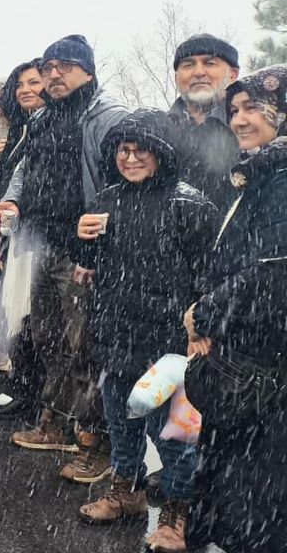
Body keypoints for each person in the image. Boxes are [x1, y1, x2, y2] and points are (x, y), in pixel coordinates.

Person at [72, 112, 214, 552]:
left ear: (162, 154)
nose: (130, 159)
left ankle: (178, 514)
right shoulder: (107, 198)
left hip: (169, 342)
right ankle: (126, 491)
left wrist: (202, 328)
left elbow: (210, 275)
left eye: (141, 151)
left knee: (172, 434)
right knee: (121, 422)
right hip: (114, 331)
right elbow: (89, 266)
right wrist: (81, 241)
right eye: (123, 150)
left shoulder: (189, 204)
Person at [0, 34, 128, 484]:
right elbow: (26, 169)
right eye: (48, 67)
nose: (53, 74)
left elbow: (119, 184)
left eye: (64, 66)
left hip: (81, 252)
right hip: (41, 243)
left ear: (87, 70)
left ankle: (95, 441)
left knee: (85, 344)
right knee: (48, 337)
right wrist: (12, 202)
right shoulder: (44, 116)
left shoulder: (106, 117)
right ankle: (57, 422)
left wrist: (95, 247)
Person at [184, 65, 287, 553]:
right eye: (235, 109)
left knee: (257, 498)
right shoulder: (260, 173)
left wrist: (204, 315)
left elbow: (274, 273)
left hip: (267, 362)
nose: (240, 119)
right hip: (247, 354)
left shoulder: (281, 180)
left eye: (255, 108)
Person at [0, 60, 47, 420]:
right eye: (20, 85)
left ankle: (38, 395)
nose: (26, 90)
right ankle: (23, 385)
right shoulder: (16, 130)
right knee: (15, 309)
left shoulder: (48, 127)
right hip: (11, 233)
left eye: (34, 82)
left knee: (34, 315)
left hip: (39, 235)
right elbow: (0, 182)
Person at [165, 33, 240, 212]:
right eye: (188, 65)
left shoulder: (252, 129)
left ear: (232, 75)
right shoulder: (158, 131)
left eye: (210, 63)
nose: (198, 72)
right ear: (176, 78)